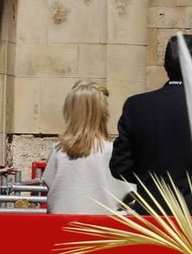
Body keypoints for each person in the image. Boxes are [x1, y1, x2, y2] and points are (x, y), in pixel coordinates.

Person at [110, 34, 192, 214]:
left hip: (150, 211)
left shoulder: (136, 105)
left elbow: (120, 166)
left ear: (165, 65)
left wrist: (149, 181)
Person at [39, 81, 135, 214]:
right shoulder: (111, 151)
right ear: (102, 113)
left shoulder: (57, 150)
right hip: (101, 228)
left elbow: (51, 185)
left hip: (61, 227)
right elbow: (130, 192)